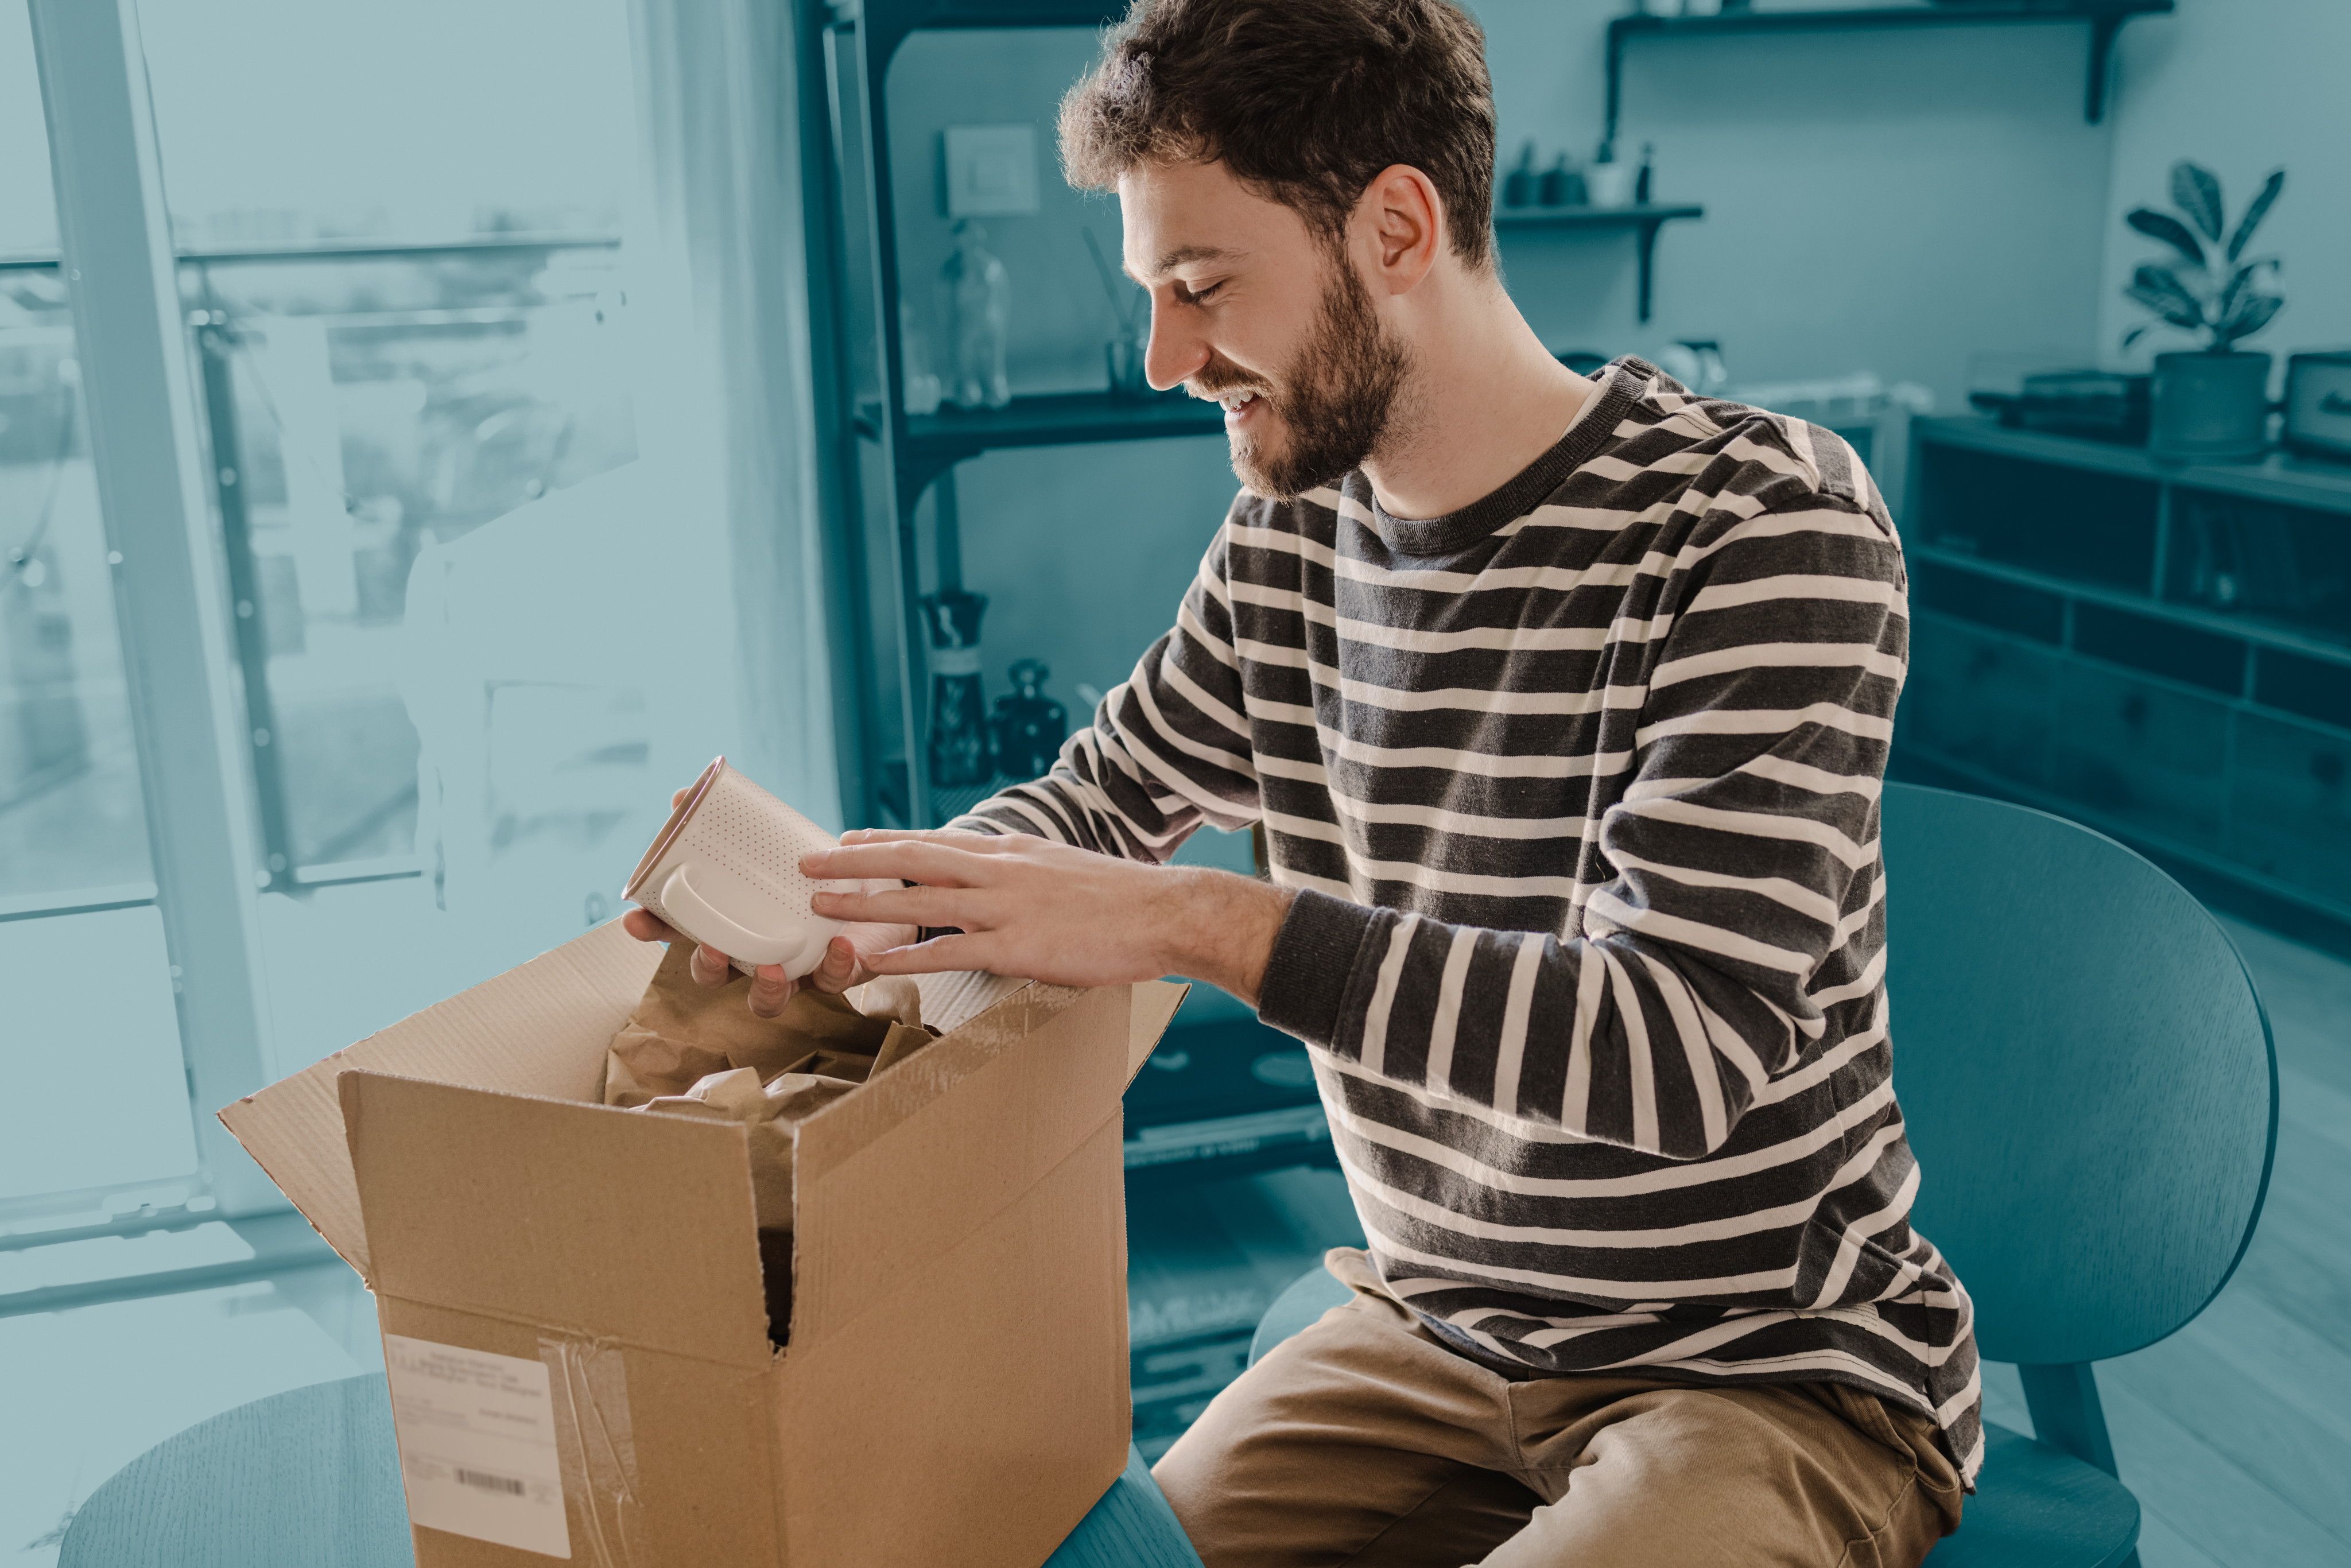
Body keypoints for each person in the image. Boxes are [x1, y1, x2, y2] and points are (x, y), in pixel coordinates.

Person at [626, 0, 1978, 1561]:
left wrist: (1205, 923)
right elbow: (1090, 809)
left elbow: (1680, 1051)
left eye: (1200, 288)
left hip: (1763, 1370)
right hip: (1437, 1334)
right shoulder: (1294, 546)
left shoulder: (1760, 524)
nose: (1164, 360)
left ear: (1398, 227)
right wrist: (840, 917)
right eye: (1153, 296)